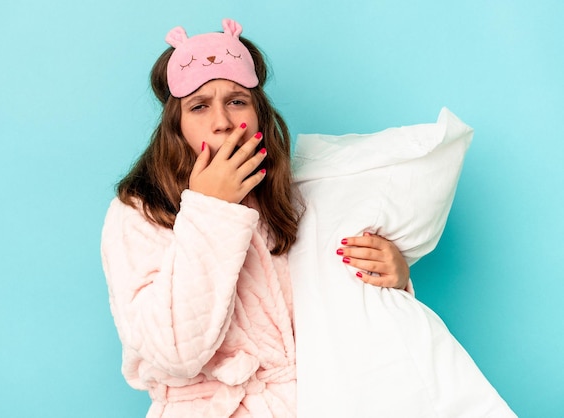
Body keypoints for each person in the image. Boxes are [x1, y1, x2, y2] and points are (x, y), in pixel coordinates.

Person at [101, 18, 410, 417]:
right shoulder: (139, 213)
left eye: (236, 101)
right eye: (199, 106)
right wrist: (212, 210)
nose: (223, 122)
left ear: (259, 113)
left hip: (315, 402)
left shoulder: (295, 200)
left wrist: (394, 280)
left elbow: (347, 315)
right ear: (175, 126)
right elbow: (174, 353)